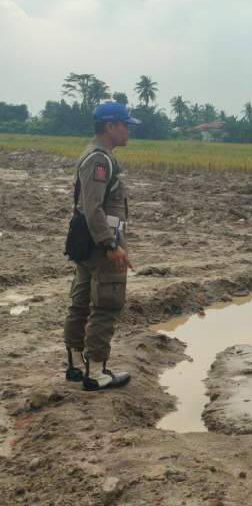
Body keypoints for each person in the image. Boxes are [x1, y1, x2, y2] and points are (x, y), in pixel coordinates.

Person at [63, 101, 139, 390]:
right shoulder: (99, 160)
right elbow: (93, 207)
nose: (128, 131)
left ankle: (75, 366)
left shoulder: (95, 154)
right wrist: (111, 244)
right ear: (110, 126)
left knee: (80, 303)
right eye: (125, 125)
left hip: (87, 242)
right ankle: (95, 372)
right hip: (100, 243)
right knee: (106, 304)